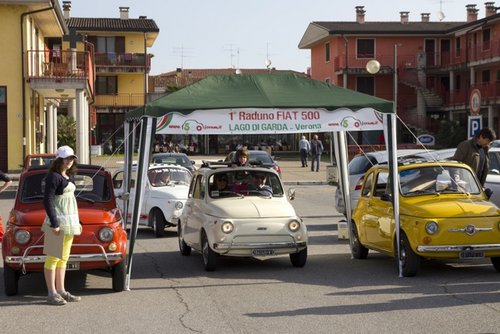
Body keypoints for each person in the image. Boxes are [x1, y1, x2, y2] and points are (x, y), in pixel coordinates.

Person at [42, 146, 82, 305]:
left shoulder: (69, 176)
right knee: (52, 258)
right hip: (56, 224)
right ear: (58, 159)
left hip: (70, 224)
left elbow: (71, 202)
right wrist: (54, 223)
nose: (70, 161)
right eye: (66, 158)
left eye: (72, 158)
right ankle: (51, 293)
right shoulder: (53, 177)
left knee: (63, 258)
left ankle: (61, 290)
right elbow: (48, 200)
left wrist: (78, 222)